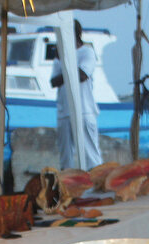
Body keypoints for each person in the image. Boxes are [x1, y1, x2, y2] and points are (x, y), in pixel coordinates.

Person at [51, 20, 102, 170]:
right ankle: (68, 188)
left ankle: (96, 186)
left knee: (91, 156)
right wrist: (66, 66)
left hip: (84, 110)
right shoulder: (59, 55)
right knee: (66, 159)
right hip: (64, 112)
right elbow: (54, 81)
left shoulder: (87, 52)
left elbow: (82, 75)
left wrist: (65, 63)